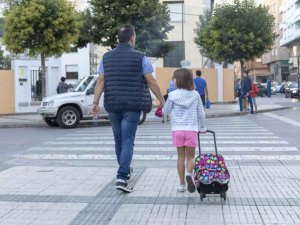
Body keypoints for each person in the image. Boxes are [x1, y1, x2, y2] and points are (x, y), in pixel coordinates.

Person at [92, 24, 165, 193]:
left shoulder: (106, 57)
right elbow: (151, 81)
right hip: (132, 107)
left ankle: (124, 171)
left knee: (119, 139)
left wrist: (95, 103)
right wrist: (161, 100)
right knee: (127, 140)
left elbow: (101, 81)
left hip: (112, 105)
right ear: (132, 38)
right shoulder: (140, 57)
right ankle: (122, 176)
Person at [163, 68, 206, 193]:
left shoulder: (172, 95)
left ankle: (182, 185)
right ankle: (189, 173)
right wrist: (202, 127)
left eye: (174, 78)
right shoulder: (196, 94)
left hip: (177, 130)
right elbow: (201, 113)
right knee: (191, 157)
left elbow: (165, 111)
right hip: (191, 129)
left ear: (178, 80)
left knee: (181, 156)